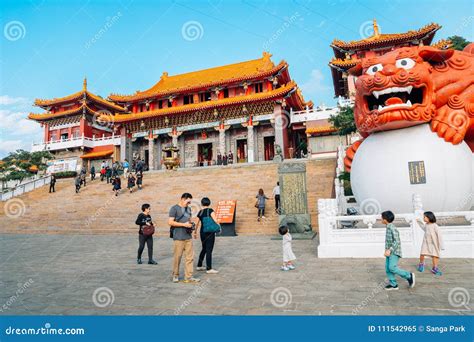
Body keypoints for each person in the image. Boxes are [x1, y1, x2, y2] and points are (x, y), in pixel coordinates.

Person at [168, 193, 200, 283]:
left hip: (188, 237)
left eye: (190, 202)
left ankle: (189, 276)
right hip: (178, 237)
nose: (189, 204)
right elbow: (170, 222)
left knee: (190, 258)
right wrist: (183, 224)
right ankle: (175, 275)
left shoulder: (188, 209)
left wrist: (191, 225)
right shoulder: (174, 209)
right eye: (188, 202)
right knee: (177, 257)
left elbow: (188, 220)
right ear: (182, 199)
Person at [382, 210, 415, 290]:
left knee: (392, 267)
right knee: (388, 268)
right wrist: (387, 251)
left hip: (394, 251)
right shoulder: (388, 227)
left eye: (382, 218)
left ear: (385, 219)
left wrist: (390, 250)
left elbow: (397, 241)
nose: (381, 219)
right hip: (389, 252)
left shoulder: (392, 228)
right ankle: (393, 284)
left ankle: (408, 275)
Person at [196, 197, 220, 274]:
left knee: (204, 249)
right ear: (209, 203)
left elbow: (197, 223)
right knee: (209, 250)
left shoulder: (200, 212)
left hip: (202, 232)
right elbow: (215, 220)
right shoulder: (210, 210)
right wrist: (219, 226)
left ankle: (199, 266)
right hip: (210, 232)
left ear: (202, 203)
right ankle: (209, 268)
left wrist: (195, 232)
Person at [417, 211, 444, 276]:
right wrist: (419, 222)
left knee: (435, 256)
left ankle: (435, 268)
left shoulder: (435, 226)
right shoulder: (426, 225)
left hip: (433, 243)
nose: (423, 218)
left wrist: (441, 245)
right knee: (422, 254)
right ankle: (421, 264)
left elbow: (439, 235)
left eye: (424, 217)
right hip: (426, 243)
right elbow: (424, 228)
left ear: (429, 217)